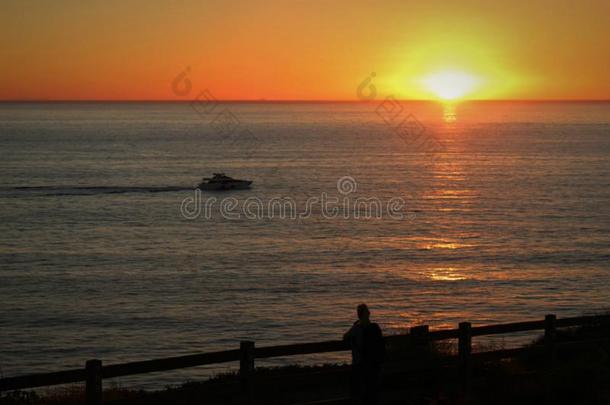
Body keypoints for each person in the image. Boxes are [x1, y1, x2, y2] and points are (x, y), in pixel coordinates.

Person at [343, 304, 385, 405]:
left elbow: (345, 337)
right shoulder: (375, 327)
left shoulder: (357, 328)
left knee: (359, 391)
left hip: (360, 364)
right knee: (372, 390)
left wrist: (354, 325)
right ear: (368, 314)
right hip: (374, 363)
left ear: (358, 315)